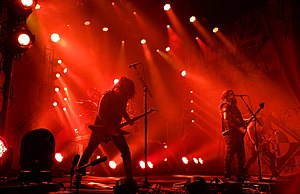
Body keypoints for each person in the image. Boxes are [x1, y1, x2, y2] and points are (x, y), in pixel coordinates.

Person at [78, 77, 136, 181]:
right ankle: (79, 172)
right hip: (101, 127)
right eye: (125, 92)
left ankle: (129, 177)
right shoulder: (107, 95)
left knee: (125, 151)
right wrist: (107, 127)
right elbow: (101, 114)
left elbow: (123, 111)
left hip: (114, 128)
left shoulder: (123, 97)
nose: (125, 95)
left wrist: (128, 119)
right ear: (120, 88)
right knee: (90, 148)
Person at [219, 89, 247, 181]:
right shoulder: (225, 106)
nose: (233, 95)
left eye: (233, 94)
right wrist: (239, 128)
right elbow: (227, 120)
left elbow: (238, 119)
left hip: (238, 133)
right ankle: (227, 174)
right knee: (230, 153)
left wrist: (244, 122)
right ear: (226, 96)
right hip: (230, 133)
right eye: (230, 94)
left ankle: (240, 174)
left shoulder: (234, 107)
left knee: (240, 154)